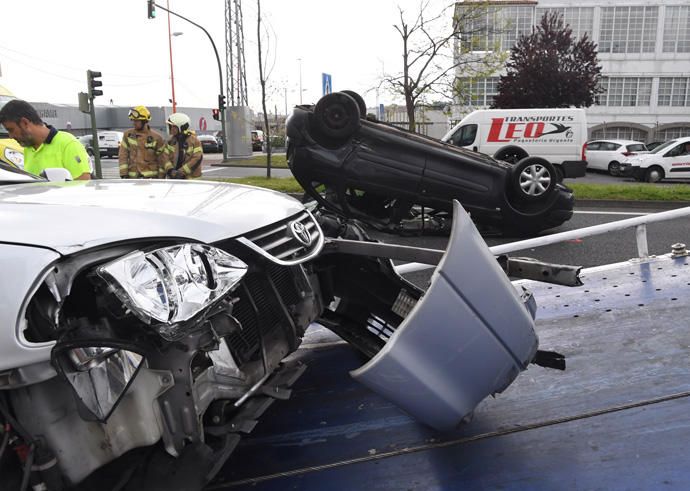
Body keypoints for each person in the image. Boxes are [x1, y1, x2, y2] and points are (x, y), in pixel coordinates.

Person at [0, 99, 91, 180]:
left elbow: (82, 186)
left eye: (11, 130)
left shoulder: (68, 144)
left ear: (25, 123)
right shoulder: (28, 149)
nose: (11, 136)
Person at [119, 105, 169, 179]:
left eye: (136, 121)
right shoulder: (128, 135)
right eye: (133, 120)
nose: (134, 123)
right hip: (132, 178)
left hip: (151, 179)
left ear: (145, 121)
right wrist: (124, 174)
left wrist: (160, 178)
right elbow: (123, 155)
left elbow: (162, 160)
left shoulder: (157, 138)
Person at [164, 112, 203, 179]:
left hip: (191, 181)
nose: (170, 129)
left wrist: (181, 172)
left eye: (172, 126)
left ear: (180, 127)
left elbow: (197, 158)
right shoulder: (170, 142)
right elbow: (165, 158)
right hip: (173, 179)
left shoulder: (194, 141)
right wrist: (170, 170)